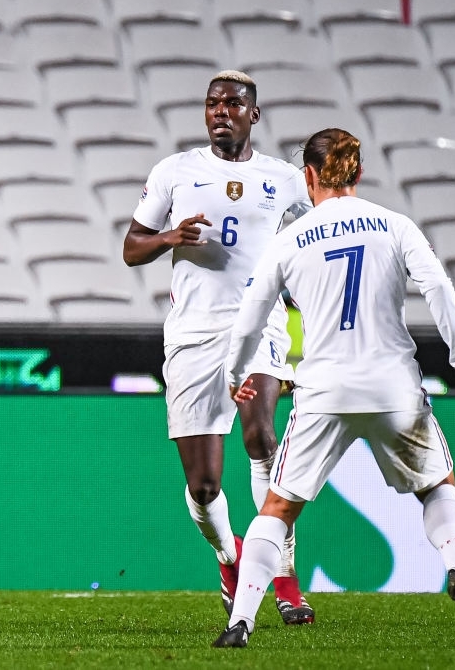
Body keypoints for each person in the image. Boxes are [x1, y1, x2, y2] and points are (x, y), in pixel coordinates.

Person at [213, 128, 455, 648]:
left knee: (279, 510)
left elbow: (249, 318)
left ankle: (239, 622)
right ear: (357, 172)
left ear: (309, 176)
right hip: (393, 387)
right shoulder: (395, 225)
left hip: (324, 390)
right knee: (437, 486)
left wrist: (237, 375)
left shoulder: (290, 239)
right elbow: (439, 289)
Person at [122, 70, 315, 624]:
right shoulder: (175, 172)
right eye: (212, 104)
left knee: (262, 438)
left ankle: (282, 578)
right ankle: (231, 556)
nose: (220, 112)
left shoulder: (284, 180)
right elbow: (131, 248)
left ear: (254, 113)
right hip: (193, 335)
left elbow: (308, 250)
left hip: (259, 327)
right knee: (203, 486)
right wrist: (168, 238)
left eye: (233, 103)